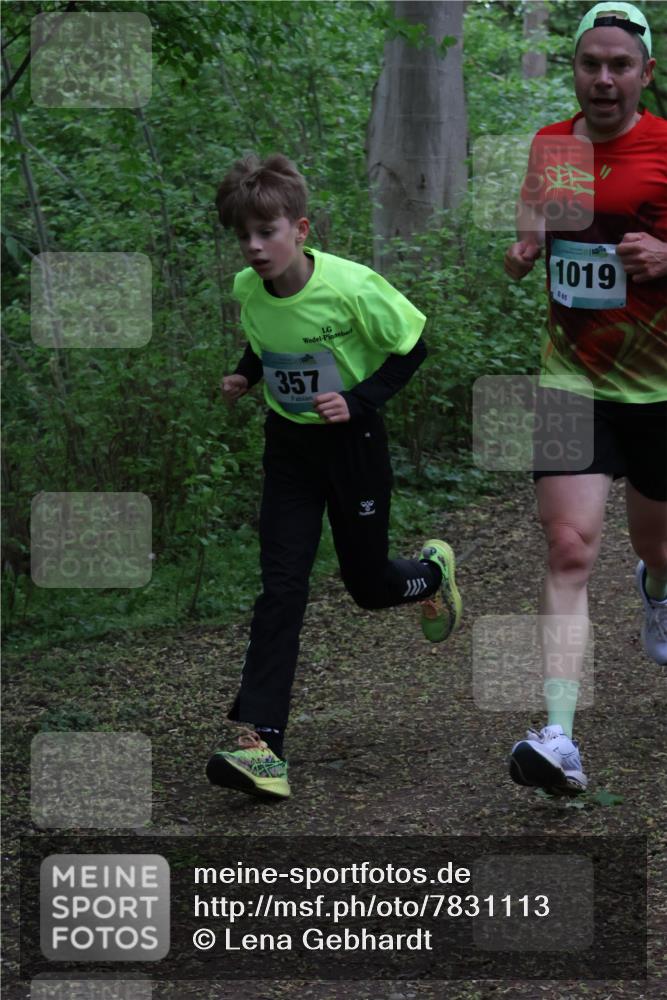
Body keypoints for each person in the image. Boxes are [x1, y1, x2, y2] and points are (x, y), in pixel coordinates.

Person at [206, 153, 462, 800]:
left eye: (266, 232)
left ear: (300, 229)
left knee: (369, 588)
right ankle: (264, 747)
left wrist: (358, 400)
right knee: (281, 588)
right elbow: (267, 342)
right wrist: (246, 375)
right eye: (243, 235)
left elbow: (413, 348)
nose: (254, 247)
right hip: (289, 449)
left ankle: (432, 575)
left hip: (353, 445)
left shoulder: (351, 287)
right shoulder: (247, 289)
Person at [504, 2, 667, 796]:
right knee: (568, 549)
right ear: (574, 69)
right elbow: (536, 228)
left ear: (645, 72)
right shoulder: (552, 146)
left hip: (658, 388)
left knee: (657, 548)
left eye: (618, 65)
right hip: (570, 378)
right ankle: (558, 735)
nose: (602, 78)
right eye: (589, 63)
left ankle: (656, 588)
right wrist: (524, 246)